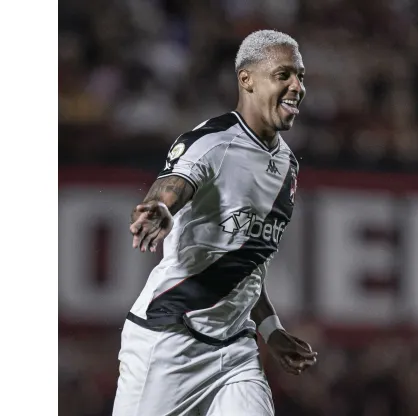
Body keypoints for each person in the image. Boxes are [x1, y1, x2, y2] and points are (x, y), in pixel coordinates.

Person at [112, 30, 316, 416]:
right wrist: (160, 208)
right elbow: (173, 185)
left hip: (236, 351)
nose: (297, 87)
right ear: (247, 79)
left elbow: (246, 265)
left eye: (301, 76)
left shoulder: (287, 164)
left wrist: (270, 330)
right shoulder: (212, 142)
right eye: (284, 75)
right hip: (170, 341)